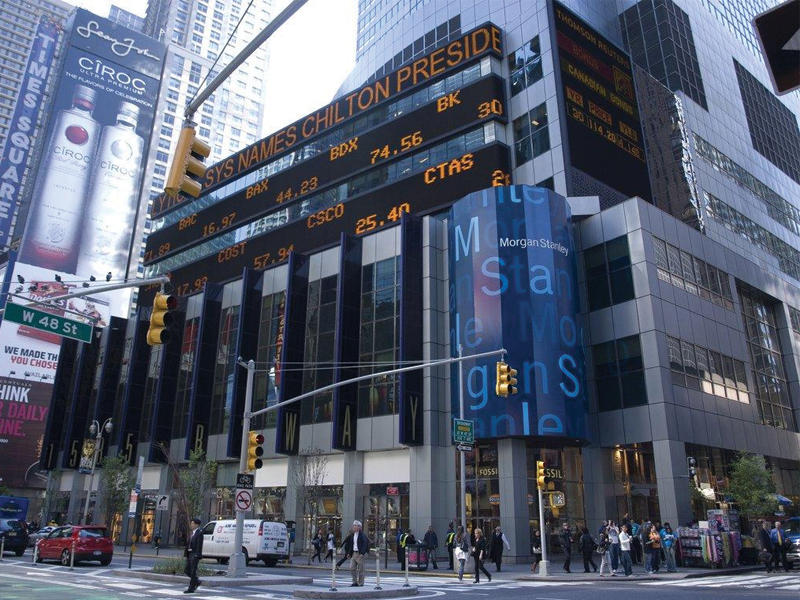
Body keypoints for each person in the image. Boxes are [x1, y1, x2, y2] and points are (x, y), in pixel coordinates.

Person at [342, 520, 370, 586]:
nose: (354, 527)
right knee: (352, 568)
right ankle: (354, 582)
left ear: (359, 527)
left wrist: (362, 553)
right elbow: (351, 545)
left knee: (361, 569)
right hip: (354, 553)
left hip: (359, 553)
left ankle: (361, 583)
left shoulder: (362, 535)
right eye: (353, 525)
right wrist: (349, 553)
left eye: (355, 525)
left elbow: (364, 544)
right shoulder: (353, 535)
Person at [183, 518, 203, 594]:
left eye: (192, 523)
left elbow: (199, 545)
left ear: (197, 525)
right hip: (190, 554)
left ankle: (191, 588)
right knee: (187, 570)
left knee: (193, 572)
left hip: (195, 555)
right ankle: (197, 581)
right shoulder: (192, 533)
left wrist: (197, 555)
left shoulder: (199, 533)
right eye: (191, 523)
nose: (191, 525)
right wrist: (186, 553)